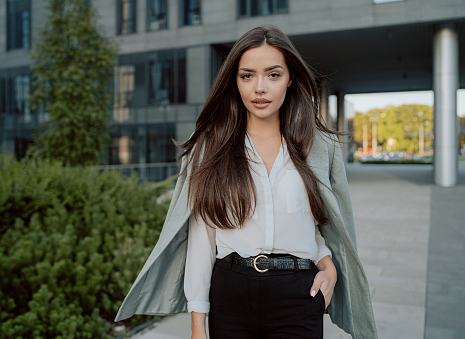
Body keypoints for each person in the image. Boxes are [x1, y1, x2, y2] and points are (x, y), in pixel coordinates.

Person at [115, 26, 377, 339]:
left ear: (290, 78)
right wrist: (198, 327)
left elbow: (316, 225)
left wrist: (327, 263)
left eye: (273, 74)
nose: (260, 88)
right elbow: (202, 241)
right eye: (247, 75)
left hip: (299, 295)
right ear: (235, 82)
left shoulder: (319, 147)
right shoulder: (211, 148)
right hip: (231, 293)